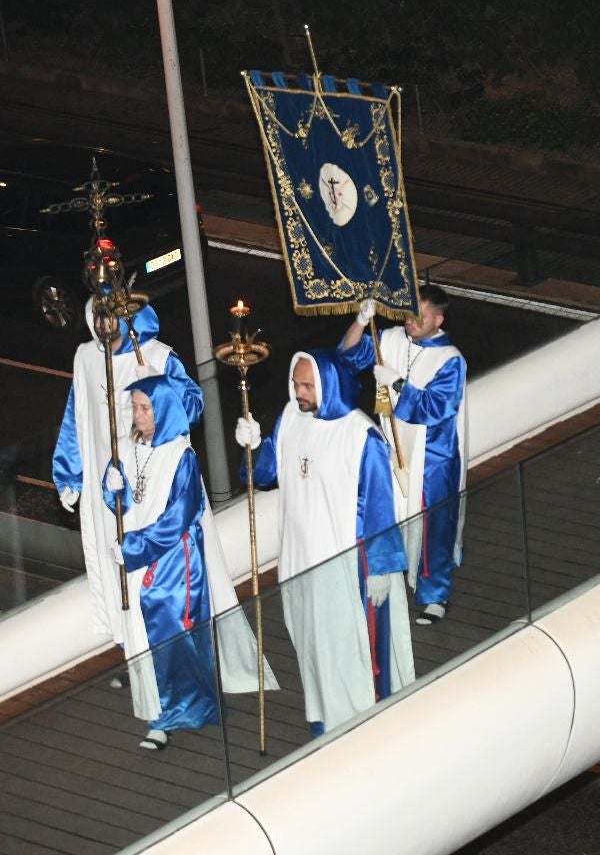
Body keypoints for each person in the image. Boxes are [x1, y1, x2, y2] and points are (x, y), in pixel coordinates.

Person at [237, 350, 414, 738]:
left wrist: (382, 568)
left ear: (328, 384)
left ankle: (357, 730)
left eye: (307, 385)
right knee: (313, 651)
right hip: (299, 565)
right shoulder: (289, 420)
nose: (298, 392)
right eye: (296, 383)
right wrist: (253, 447)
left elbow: (378, 506)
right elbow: (264, 476)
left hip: (343, 566)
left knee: (346, 653)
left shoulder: (359, 435)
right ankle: (324, 724)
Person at [106, 373, 274, 750]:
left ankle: (170, 713)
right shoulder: (127, 447)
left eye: (145, 408)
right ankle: (152, 701)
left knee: (168, 633)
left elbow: (179, 515)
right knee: (140, 631)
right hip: (137, 555)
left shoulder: (180, 455)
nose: (138, 415)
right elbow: (123, 499)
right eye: (134, 407)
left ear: (163, 409)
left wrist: (135, 549)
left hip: (170, 561)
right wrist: (110, 487)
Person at [53, 300, 202, 644]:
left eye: (111, 317)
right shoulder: (87, 358)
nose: (104, 325)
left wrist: (158, 383)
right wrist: (69, 474)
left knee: (148, 561)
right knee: (113, 561)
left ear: (125, 315)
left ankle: (156, 636)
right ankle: (129, 640)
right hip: (106, 484)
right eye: (98, 317)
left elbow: (193, 407)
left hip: (151, 477)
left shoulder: (156, 354)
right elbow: (76, 416)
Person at [340, 285, 467, 627]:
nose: (410, 322)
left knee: (433, 526)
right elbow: (349, 355)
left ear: (438, 319)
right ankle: (384, 577)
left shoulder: (450, 360)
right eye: (409, 314)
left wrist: (397, 384)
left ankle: (434, 594)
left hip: (432, 458)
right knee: (383, 515)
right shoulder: (392, 339)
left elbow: (435, 408)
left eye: (419, 316)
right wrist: (360, 319)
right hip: (391, 445)